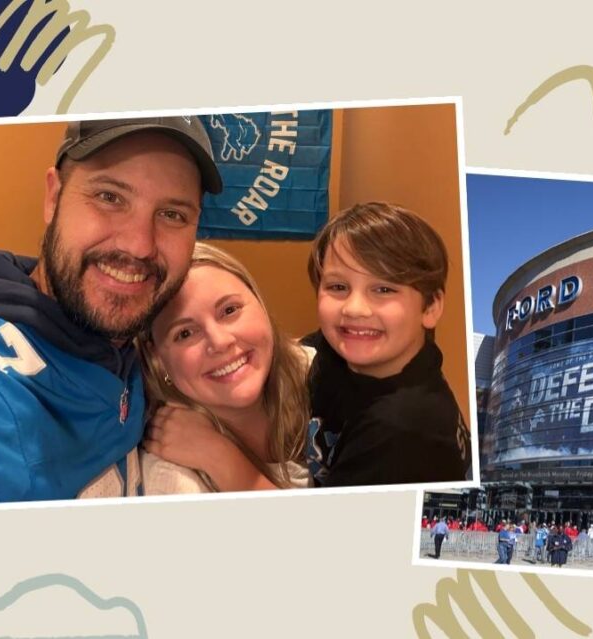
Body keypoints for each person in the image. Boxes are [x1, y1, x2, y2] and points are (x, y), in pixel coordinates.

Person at [0, 116, 223, 503]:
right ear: (53, 197)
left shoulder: (122, 344)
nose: (139, 246)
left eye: (172, 215)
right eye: (110, 197)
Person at [303, 202, 472, 486]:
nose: (354, 309)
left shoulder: (404, 431)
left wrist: (218, 453)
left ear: (430, 307)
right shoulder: (345, 345)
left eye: (384, 289)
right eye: (338, 287)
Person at [138, 243, 312, 492]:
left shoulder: (319, 372)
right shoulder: (170, 479)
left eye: (229, 310)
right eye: (185, 333)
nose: (220, 342)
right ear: (156, 357)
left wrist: (221, 457)